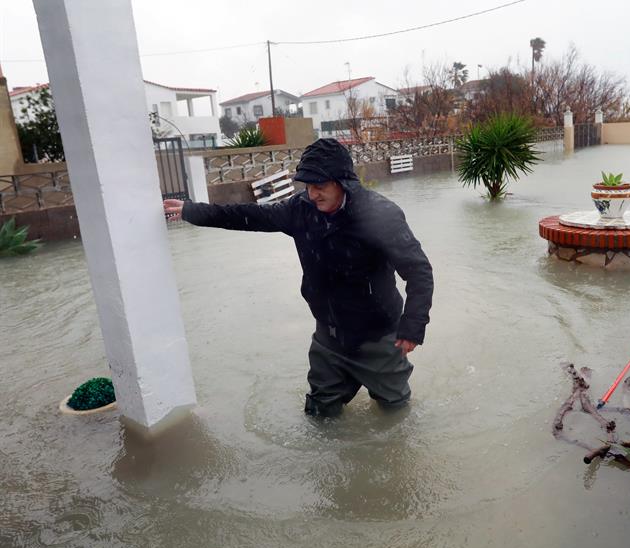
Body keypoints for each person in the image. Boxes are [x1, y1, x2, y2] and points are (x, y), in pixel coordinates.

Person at [163, 139, 434, 416]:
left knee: (395, 415)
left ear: (343, 182)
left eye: (321, 186)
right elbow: (249, 215)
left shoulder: (380, 215)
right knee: (319, 414)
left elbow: (418, 270)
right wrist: (191, 210)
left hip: (378, 337)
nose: (313, 194)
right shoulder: (301, 210)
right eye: (308, 185)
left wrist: (412, 327)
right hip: (329, 337)